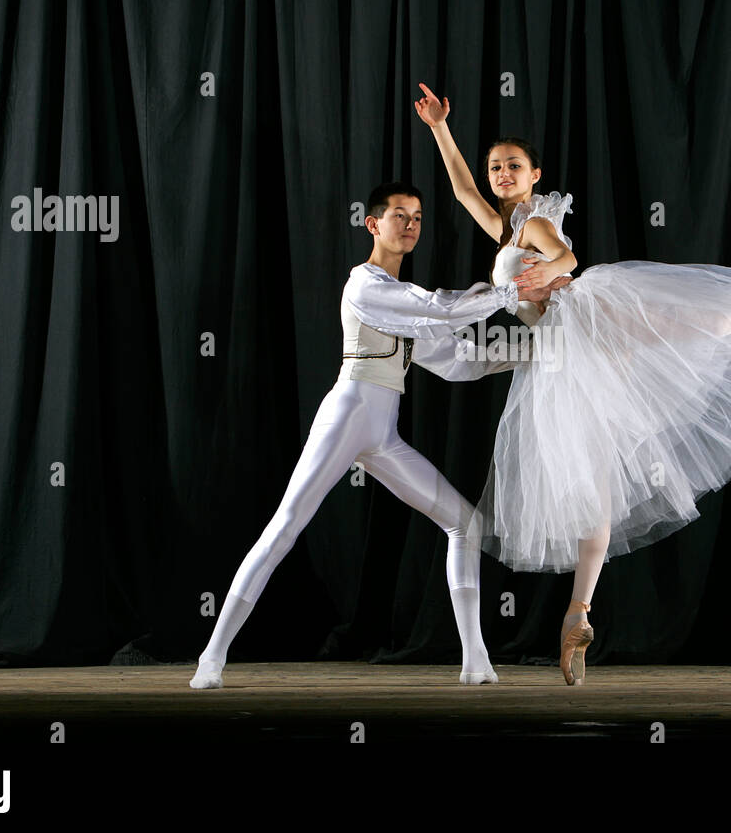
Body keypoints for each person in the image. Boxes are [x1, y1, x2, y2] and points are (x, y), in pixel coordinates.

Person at [414, 82, 731, 685]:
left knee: (700, 323)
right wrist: (441, 128)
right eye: (496, 166)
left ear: (535, 173)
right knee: (595, 492)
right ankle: (578, 614)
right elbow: (463, 190)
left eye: (512, 166)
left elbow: (566, 256)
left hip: (592, 318)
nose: (499, 174)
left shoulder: (537, 224)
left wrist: (556, 267)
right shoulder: (505, 228)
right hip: (566, 358)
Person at [189, 182, 552, 689]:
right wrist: (511, 292)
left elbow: (457, 361)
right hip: (347, 414)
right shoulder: (366, 285)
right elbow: (441, 308)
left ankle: (476, 662)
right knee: (286, 526)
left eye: (418, 217)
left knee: (464, 526)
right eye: (399, 215)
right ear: (373, 224)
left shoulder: (406, 303)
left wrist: (533, 355)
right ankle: (211, 658)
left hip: (381, 432)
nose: (410, 224)